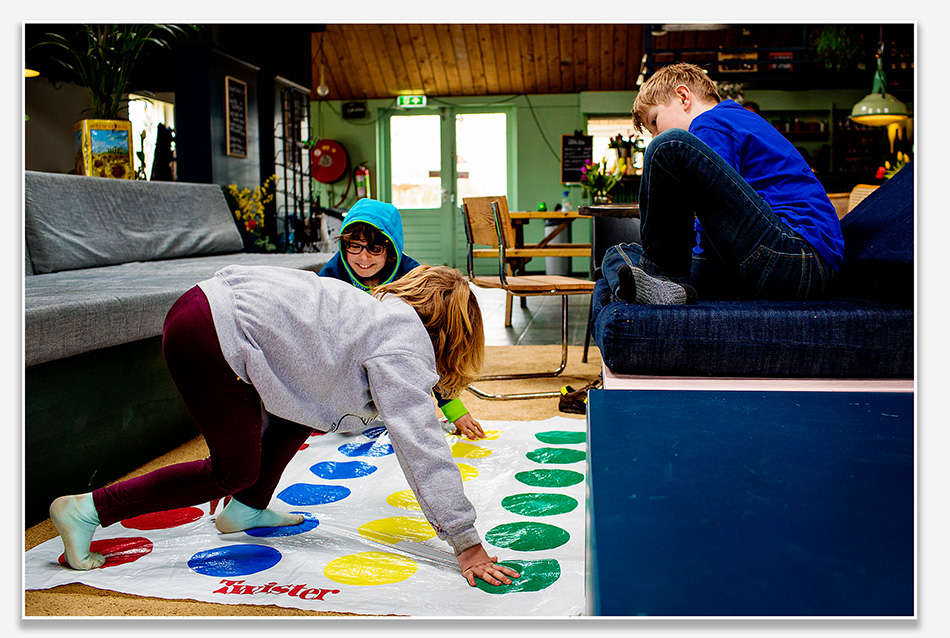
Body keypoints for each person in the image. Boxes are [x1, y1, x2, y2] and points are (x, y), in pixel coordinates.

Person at [49, 264, 520, 588]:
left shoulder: (373, 315)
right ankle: (88, 509)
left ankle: (245, 510)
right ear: (455, 335)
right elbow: (421, 447)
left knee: (301, 415)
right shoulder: (403, 347)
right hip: (213, 330)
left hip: (202, 306)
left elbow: (310, 388)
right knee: (232, 469)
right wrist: (466, 543)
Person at [603, 62, 844, 304]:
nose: (654, 134)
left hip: (795, 255)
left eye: (654, 121)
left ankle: (663, 282)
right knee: (616, 254)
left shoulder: (712, 122)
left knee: (666, 146)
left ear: (683, 97)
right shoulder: (735, 120)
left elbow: (709, 225)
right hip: (774, 259)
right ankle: (659, 288)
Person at [320, 198, 485, 440]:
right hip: (348, 361)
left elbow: (434, 348)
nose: (363, 259)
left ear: (391, 249)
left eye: (375, 249)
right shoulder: (330, 278)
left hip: (398, 358)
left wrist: (452, 408)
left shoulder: (413, 280)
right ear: (343, 244)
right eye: (355, 246)